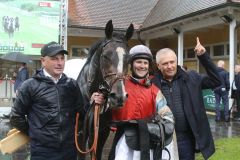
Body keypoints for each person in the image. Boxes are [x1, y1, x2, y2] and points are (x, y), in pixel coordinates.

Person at [9, 41, 105, 160]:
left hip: (69, 150)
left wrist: (91, 103)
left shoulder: (71, 84)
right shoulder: (30, 85)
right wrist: (34, 133)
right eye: (54, 59)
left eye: (62, 58)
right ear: (43, 61)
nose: (59, 63)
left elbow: (81, 113)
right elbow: (16, 116)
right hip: (42, 152)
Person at [151, 37, 221, 160]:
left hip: (185, 139)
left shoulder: (192, 78)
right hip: (162, 139)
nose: (169, 66)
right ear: (158, 65)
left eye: (172, 62)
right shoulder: (151, 85)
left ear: (176, 61)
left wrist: (203, 56)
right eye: (165, 63)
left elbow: (216, 80)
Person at [108, 45, 177, 160]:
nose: (142, 66)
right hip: (122, 140)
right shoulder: (120, 85)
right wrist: (97, 100)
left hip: (147, 142)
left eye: (145, 63)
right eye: (138, 62)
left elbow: (168, 117)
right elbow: (106, 108)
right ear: (131, 64)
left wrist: (157, 128)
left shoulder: (155, 91)